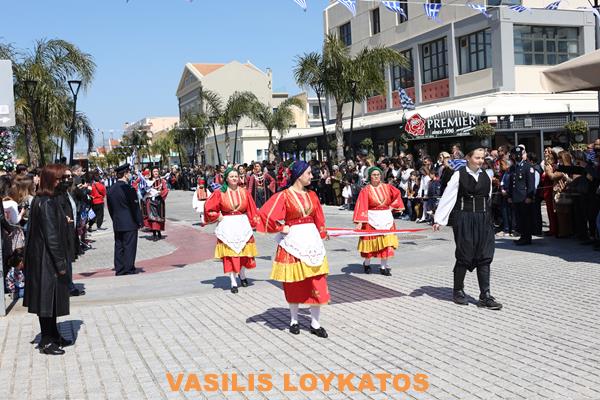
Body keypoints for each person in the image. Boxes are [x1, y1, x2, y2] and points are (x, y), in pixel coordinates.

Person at [258, 161, 330, 338]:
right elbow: (266, 214)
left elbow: (318, 216)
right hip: (293, 242)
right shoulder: (284, 195)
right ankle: (294, 320)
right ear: (299, 175)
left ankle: (315, 323)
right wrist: (280, 227)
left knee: (316, 280)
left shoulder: (312, 195)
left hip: (311, 241)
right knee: (294, 282)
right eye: (308, 173)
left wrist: (323, 232)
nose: (311, 176)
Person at [433, 147, 502, 310]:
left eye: (482, 158)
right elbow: (448, 196)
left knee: (485, 255)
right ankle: (458, 290)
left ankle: (485, 295)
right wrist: (439, 219)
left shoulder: (486, 175)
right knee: (465, 253)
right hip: (464, 218)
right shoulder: (459, 174)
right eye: (477, 157)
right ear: (468, 158)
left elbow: (488, 197)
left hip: (483, 219)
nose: (480, 161)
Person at [23, 164, 73, 355]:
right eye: (59, 178)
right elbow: (51, 237)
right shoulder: (46, 203)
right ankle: (46, 340)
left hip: (44, 258)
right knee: (46, 301)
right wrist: (61, 264)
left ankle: (53, 334)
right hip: (47, 260)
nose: (62, 182)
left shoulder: (45, 200)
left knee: (51, 301)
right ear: (51, 180)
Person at [204, 168, 260, 293]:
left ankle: (242, 274)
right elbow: (208, 208)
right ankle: (233, 281)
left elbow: (252, 209)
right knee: (230, 254)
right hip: (227, 225)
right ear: (226, 178)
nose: (234, 178)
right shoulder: (220, 192)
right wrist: (217, 215)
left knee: (244, 252)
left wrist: (255, 222)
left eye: (236, 176)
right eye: (231, 176)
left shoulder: (244, 192)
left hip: (242, 224)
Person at [353, 167, 404, 276]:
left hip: (386, 217)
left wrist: (392, 206)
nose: (376, 177)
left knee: (386, 243)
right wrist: (360, 222)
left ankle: (383, 267)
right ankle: (367, 264)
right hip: (371, 218)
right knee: (370, 243)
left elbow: (397, 194)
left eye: (378, 174)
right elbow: (362, 205)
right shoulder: (366, 190)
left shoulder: (388, 187)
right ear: (370, 176)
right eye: (374, 175)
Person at [107, 164, 143, 276]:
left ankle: (120, 268)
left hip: (118, 222)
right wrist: (139, 221)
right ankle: (129, 268)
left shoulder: (111, 189)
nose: (130, 175)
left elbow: (110, 208)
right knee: (129, 246)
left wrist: (115, 219)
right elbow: (135, 207)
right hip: (130, 222)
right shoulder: (129, 189)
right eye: (129, 173)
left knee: (119, 246)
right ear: (126, 174)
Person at [508, 147, 536, 245]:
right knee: (519, 219)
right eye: (514, 155)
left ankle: (527, 238)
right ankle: (522, 236)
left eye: (518, 154)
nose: (516, 156)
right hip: (516, 197)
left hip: (524, 198)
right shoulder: (513, 167)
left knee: (526, 219)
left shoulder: (528, 167)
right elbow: (511, 184)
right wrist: (510, 196)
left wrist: (530, 197)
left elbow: (531, 184)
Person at [145, 168, 169, 241]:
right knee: (152, 217)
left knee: (159, 217)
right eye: (154, 171)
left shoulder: (162, 181)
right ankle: (154, 234)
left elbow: (165, 189)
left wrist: (160, 193)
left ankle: (159, 232)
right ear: (152, 173)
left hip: (159, 201)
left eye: (157, 171)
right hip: (151, 201)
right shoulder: (148, 181)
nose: (155, 172)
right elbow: (144, 189)